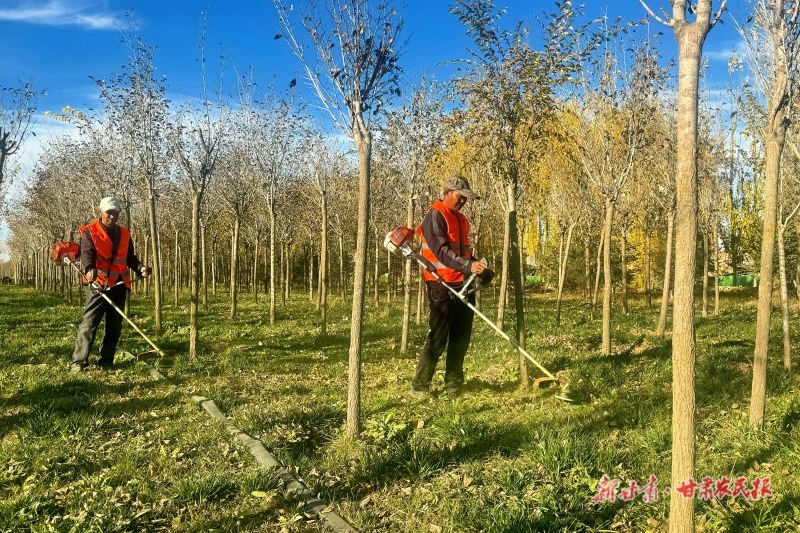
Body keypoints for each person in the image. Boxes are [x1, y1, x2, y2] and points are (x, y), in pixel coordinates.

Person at [412, 176, 488, 399]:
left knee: (461, 335)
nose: (463, 201)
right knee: (439, 336)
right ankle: (420, 385)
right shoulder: (435, 216)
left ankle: (453, 384)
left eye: (466, 198)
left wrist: (477, 266)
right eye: (460, 196)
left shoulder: (460, 219)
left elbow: (461, 252)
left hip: (462, 283)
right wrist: (468, 264)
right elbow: (441, 252)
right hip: (441, 283)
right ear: (447, 192)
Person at [71, 197, 150, 372]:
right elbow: (86, 253)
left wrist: (140, 268)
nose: (112, 217)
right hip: (98, 284)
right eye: (109, 213)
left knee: (114, 325)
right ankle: (79, 362)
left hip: (119, 284)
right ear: (100, 212)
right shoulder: (90, 232)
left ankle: (106, 360)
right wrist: (90, 268)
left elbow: (129, 257)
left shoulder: (124, 233)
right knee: (89, 322)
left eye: (115, 213)